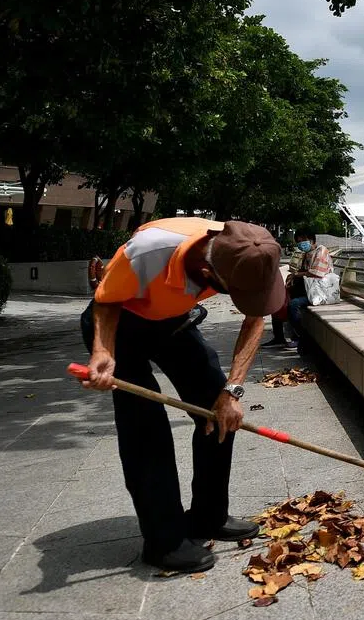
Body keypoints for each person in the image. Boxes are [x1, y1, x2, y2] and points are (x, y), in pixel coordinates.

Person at [79, 217, 285, 573]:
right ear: (207, 269)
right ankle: (164, 542)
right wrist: (102, 352)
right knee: (146, 429)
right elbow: (107, 301)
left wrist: (231, 391)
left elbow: (255, 318)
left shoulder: (254, 249)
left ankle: (208, 517)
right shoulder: (148, 251)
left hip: (172, 320)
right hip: (120, 322)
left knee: (218, 412)